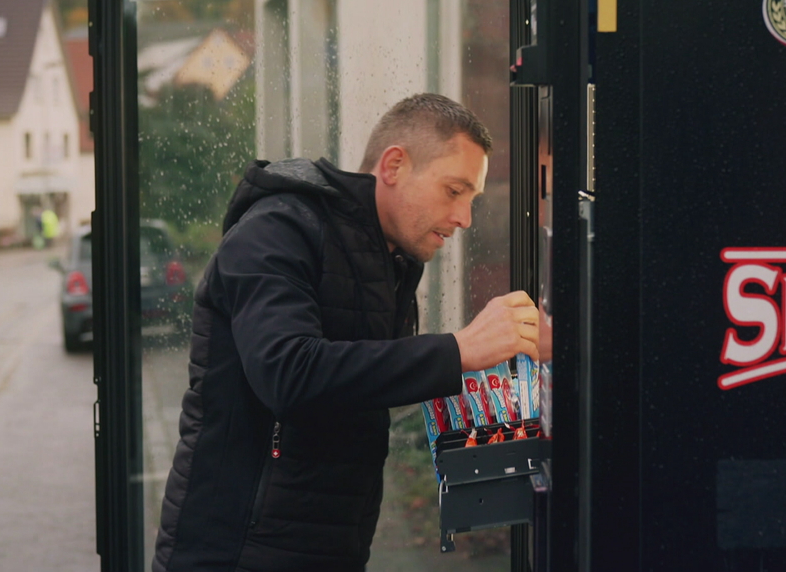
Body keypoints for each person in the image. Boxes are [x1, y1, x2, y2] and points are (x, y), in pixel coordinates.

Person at [151, 93, 543, 572]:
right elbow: (289, 376)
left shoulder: (389, 258)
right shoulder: (276, 229)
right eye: (453, 191)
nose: (464, 218)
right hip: (235, 551)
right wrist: (460, 350)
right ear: (394, 165)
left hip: (330, 546)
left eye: (472, 200)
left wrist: (508, 353)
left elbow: (364, 382)